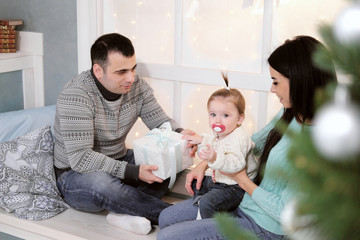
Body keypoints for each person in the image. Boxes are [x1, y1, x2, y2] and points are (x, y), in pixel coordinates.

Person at [158, 35, 337, 240]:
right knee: (166, 219)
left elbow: (287, 213)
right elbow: (250, 144)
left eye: (276, 82)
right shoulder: (289, 114)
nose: (272, 89)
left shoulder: (320, 144)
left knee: (168, 237)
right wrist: (205, 163)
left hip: (268, 226)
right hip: (244, 202)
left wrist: (243, 181)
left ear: (299, 80)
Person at [53, 33, 194, 235]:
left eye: (133, 68)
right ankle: (179, 217)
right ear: (98, 70)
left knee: (173, 155)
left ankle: (124, 212)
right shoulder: (76, 95)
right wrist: (133, 172)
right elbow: (81, 159)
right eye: (122, 72)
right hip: (75, 175)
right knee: (102, 184)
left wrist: (181, 136)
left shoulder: (136, 86)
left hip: (118, 159)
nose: (131, 78)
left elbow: (160, 123)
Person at [185, 73, 258, 220]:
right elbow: (211, 140)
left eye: (225, 115)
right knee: (195, 184)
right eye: (213, 114)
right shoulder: (220, 133)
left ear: (240, 119)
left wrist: (215, 158)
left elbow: (237, 165)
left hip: (236, 187)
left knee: (207, 203)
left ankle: (209, 222)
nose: (217, 120)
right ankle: (207, 205)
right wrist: (200, 140)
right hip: (220, 180)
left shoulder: (239, 138)